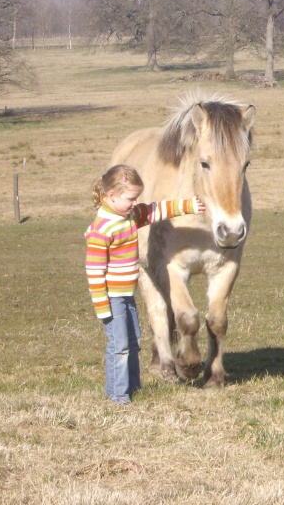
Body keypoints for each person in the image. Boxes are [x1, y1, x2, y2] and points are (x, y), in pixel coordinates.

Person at [84, 164, 206, 405]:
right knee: (119, 346)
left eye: (136, 198)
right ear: (110, 196)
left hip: (127, 295)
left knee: (133, 343)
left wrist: (188, 205)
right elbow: (94, 272)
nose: (134, 203)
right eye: (131, 198)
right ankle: (118, 396)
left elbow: (155, 210)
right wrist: (102, 307)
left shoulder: (128, 215)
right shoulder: (102, 229)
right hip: (112, 298)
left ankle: (133, 386)